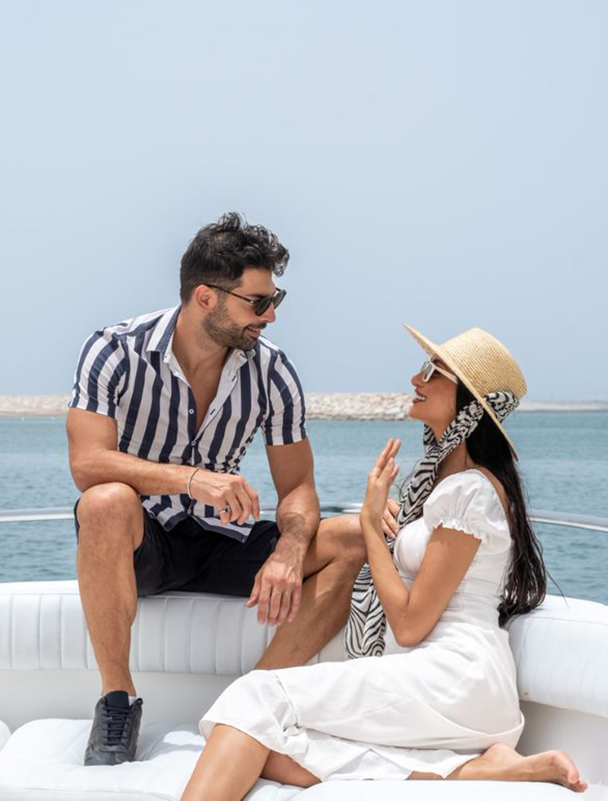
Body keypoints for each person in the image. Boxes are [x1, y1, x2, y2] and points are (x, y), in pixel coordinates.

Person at [180, 325, 588, 800]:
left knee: (252, 697)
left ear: (469, 403)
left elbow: (411, 624)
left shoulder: (470, 492)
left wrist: (371, 527)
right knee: (269, 746)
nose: (416, 379)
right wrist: (384, 521)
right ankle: (482, 769)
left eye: (432, 372)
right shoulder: (441, 487)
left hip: (457, 678)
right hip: (436, 676)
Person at [66, 212, 364, 767]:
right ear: (206, 297)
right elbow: (87, 463)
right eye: (258, 302)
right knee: (104, 501)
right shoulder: (116, 350)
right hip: (144, 543)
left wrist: (289, 550)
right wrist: (190, 478)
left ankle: (247, 703)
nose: (270, 315)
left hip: (224, 540)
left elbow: (297, 486)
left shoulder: (274, 372)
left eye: (276, 300)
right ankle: (116, 701)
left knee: (352, 537)